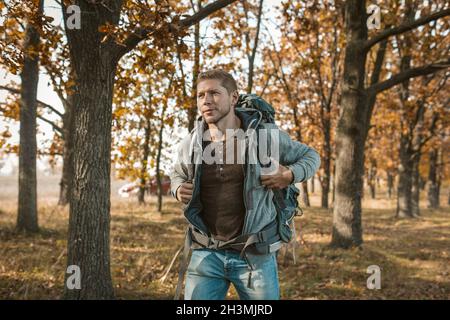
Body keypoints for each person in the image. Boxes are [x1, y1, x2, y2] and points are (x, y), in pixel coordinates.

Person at [169, 69, 320, 300]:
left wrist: (289, 175)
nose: (206, 100)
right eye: (200, 95)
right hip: (206, 253)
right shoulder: (191, 143)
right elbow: (176, 174)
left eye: (214, 93)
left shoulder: (264, 137)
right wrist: (178, 188)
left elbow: (311, 156)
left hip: (254, 256)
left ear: (233, 98)